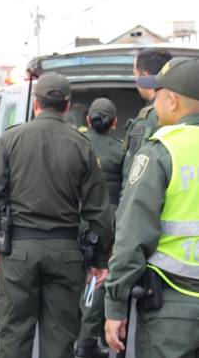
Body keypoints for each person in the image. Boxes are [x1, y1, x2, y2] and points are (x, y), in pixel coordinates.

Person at [0, 72, 112, 358]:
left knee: (14, 337)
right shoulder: (81, 145)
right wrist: (100, 260)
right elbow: (99, 210)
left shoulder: (10, 139)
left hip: (18, 251)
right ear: (67, 106)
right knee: (61, 339)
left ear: (35, 103)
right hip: (66, 253)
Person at [104, 57, 199, 357]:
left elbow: (132, 235)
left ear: (172, 101)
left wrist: (115, 304)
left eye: (157, 96)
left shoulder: (162, 151)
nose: (153, 105)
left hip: (173, 308)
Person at [75, 98, 124, 358]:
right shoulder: (120, 150)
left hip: (75, 218)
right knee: (98, 278)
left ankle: (75, 335)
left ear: (88, 120)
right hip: (108, 220)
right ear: (114, 122)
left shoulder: (76, 144)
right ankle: (86, 340)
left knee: (75, 276)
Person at [121, 48, 172, 184]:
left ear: (144, 76)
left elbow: (134, 176)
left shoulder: (148, 119)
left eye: (135, 75)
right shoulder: (179, 110)